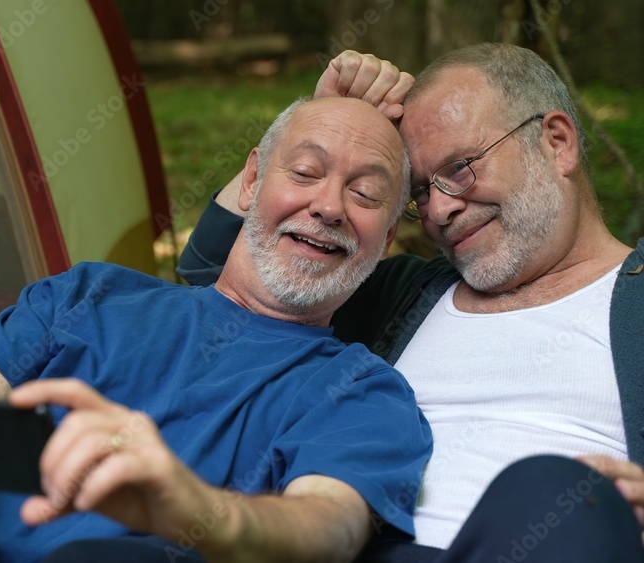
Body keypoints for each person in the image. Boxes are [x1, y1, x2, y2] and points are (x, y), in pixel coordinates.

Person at [0, 96, 433, 563]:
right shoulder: (90, 295)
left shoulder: (361, 392)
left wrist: (199, 511)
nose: (328, 206)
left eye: (365, 194)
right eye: (304, 171)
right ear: (251, 182)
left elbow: (329, 525)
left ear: (385, 240)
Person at [178, 44, 644, 562]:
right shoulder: (404, 292)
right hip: (344, 544)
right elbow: (217, 271)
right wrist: (327, 122)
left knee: (556, 493)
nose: (439, 210)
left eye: (460, 168)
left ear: (556, 143)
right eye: (421, 192)